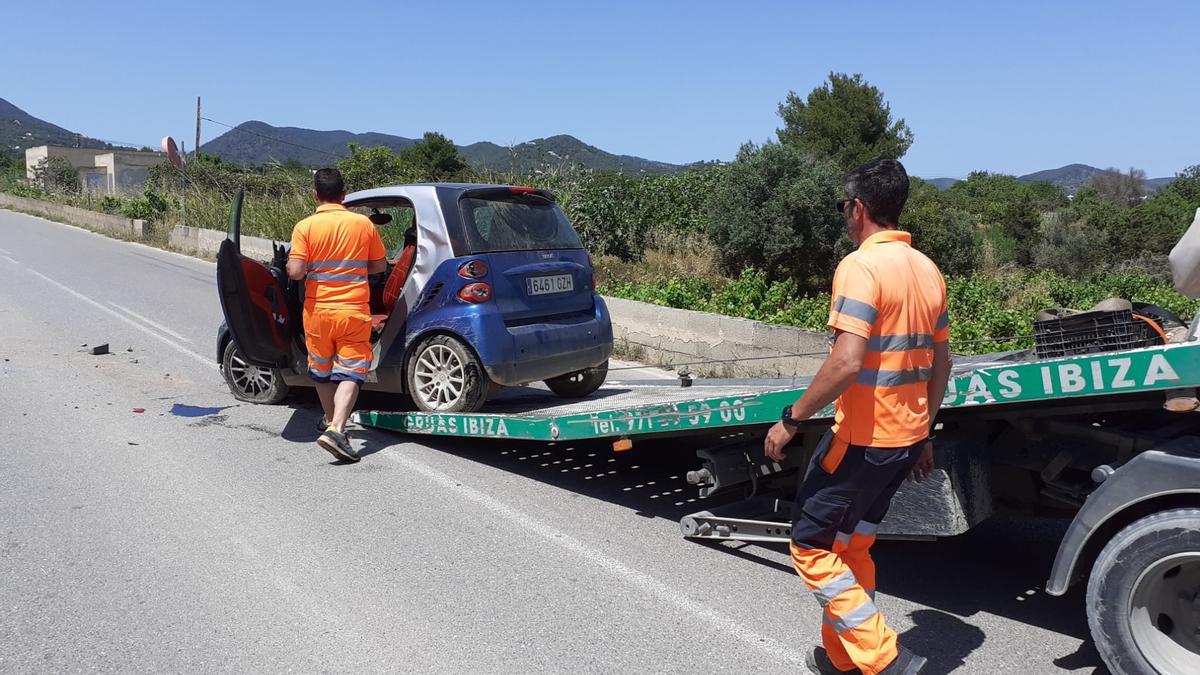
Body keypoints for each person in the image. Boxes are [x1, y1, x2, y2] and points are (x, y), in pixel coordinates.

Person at [763, 159, 951, 675]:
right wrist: (926, 430)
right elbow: (942, 361)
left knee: (810, 546)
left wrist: (792, 419)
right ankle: (845, 661)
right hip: (907, 439)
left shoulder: (861, 266)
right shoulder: (927, 268)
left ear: (860, 208)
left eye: (844, 205)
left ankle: (884, 660)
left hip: (864, 440)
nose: (844, 215)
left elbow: (846, 361)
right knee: (852, 545)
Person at [287, 168, 387, 462]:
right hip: (353, 311)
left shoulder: (304, 227)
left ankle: (333, 425)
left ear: (315, 195)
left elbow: (295, 272)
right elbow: (380, 266)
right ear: (344, 195)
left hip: (317, 312)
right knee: (353, 371)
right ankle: (337, 428)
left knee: (320, 369)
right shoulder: (363, 225)